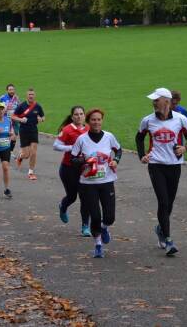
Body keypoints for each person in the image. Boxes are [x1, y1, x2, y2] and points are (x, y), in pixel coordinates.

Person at [136, 87, 187, 257]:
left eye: (157, 99)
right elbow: (139, 138)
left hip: (174, 165)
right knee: (163, 201)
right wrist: (142, 156)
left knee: (169, 203)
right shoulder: (147, 120)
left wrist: (185, 147)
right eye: (153, 100)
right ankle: (169, 240)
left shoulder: (180, 119)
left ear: (167, 102)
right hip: (156, 165)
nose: (154, 102)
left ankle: (161, 228)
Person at [71, 109, 122, 258]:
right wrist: (84, 161)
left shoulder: (109, 137)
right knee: (95, 215)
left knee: (109, 216)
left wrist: (115, 160)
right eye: (93, 120)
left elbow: (119, 150)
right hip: (88, 183)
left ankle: (104, 228)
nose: (96, 122)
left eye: (99, 119)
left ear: (102, 121)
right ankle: (98, 244)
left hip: (107, 181)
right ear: (88, 121)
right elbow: (73, 159)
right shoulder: (82, 139)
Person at [53, 106, 91, 236]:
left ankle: (85, 226)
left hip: (84, 169)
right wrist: (72, 147)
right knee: (72, 197)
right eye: (76, 114)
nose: (79, 116)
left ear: (84, 116)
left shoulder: (88, 129)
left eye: (81, 114)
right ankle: (63, 207)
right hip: (68, 168)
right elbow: (56, 146)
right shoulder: (67, 129)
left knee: (85, 198)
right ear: (72, 116)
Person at [12, 88, 45, 181]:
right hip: (23, 131)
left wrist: (41, 119)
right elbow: (13, 116)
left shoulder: (38, 106)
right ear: (27, 96)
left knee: (34, 153)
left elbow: (43, 116)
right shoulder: (21, 106)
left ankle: (31, 172)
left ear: (34, 96)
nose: (31, 96)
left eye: (32, 94)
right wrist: (21, 120)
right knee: (26, 155)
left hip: (34, 130)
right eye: (29, 94)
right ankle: (20, 157)